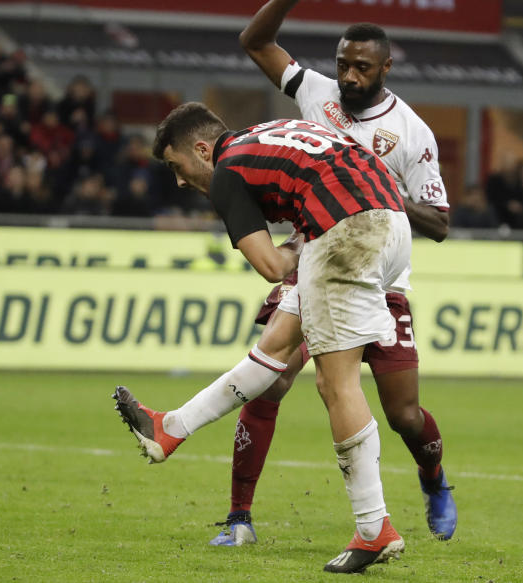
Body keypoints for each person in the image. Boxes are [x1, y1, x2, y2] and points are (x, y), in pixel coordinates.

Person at [204, 0, 457, 548]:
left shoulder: (413, 134)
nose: (349, 77)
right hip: (311, 263)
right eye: (344, 64)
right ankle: (239, 518)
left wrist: (380, 190)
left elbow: (441, 222)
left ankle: (434, 477)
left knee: (402, 415)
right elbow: (255, 41)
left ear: (385, 69)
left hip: (379, 276)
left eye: (362, 68)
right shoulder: (316, 93)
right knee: (270, 383)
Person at [115, 104, 410, 574]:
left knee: (336, 384)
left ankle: (375, 530)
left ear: (202, 149)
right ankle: (169, 428)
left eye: (177, 167)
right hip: (386, 222)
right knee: (275, 347)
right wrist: (307, 247)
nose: (179, 181)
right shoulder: (264, 135)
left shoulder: (229, 172)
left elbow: (271, 267)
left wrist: (298, 249)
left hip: (350, 231)